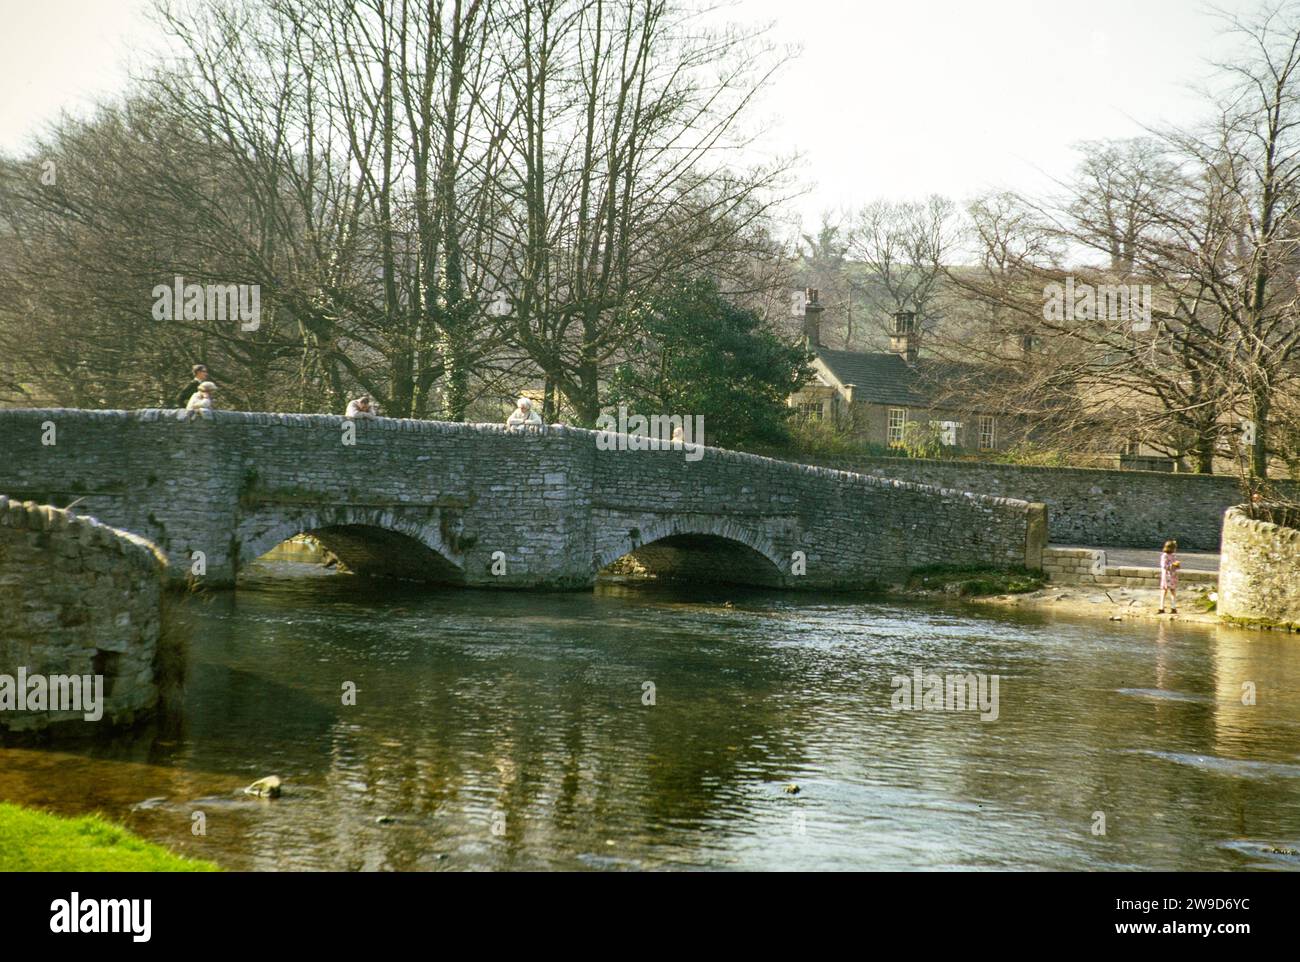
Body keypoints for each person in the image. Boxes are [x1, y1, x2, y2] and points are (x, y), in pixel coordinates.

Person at [1158, 539, 1180, 614]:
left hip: (1173, 575)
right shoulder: (1164, 556)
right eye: (1174, 548)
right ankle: (1161, 607)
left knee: (1173, 591)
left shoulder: (1173, 556)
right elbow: (1164, 566)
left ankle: (1173, 607)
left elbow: (1176, 566)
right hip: (1166, 576)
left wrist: (1177, 565)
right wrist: (1173, 565)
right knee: (1164, 590)